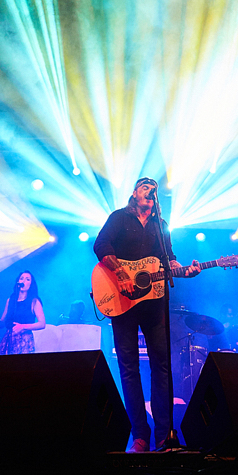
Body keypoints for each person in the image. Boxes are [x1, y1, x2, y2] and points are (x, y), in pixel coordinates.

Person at [93, 177, 200, 453]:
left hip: (154, 303)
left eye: (153, 188)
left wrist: (184, 269)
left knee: (161, 366)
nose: (149, 190)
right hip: (122, 300)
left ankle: (164, 435)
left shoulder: (160, 226)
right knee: (129, 368)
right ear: (134, 193)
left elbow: (169, 260)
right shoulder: (119, 218)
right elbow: (101, 245)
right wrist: (120, 274)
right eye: (144, 186)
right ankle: (140, 434)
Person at [0, 271, 45, 354]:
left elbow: (42, 324)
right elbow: (3, 323)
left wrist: (23, 326)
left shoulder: (34, 301)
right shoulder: (10, 300)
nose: (23, 281)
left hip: (24, 340)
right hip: (8, 339)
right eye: (21, 279)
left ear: (31, 284)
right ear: (18, 282)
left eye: (27, 279)